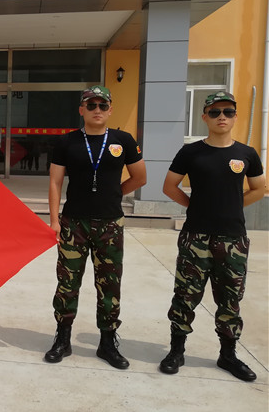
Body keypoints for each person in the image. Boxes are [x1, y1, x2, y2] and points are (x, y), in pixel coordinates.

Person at [159, 91, 265, 381]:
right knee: (185, 295)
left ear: (234, 117)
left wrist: (231, 205)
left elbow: (258, 188)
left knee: (230, 299)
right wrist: (194, 205)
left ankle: (228, 355)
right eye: (216, 112)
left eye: (228, 112)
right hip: (196, 237)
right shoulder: (191, 152)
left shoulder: (247, 154)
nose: (222, 117)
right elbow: (169, 186)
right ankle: (176, 350)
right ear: (204, 116)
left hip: (233, 239)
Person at [45, 85, 147, 369]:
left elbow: (140, 177)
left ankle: (107, 342)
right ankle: (62, 339)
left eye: (103, 106)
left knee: (109, 284)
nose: (97, 110)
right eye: (91, 106)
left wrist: (116, 195)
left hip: (110, 225)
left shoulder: (123, 140)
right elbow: (55, 182)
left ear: (110, 109)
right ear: (82, 110)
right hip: (73, 223)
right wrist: (54, 221)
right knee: (67, 284)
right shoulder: (67, 142)